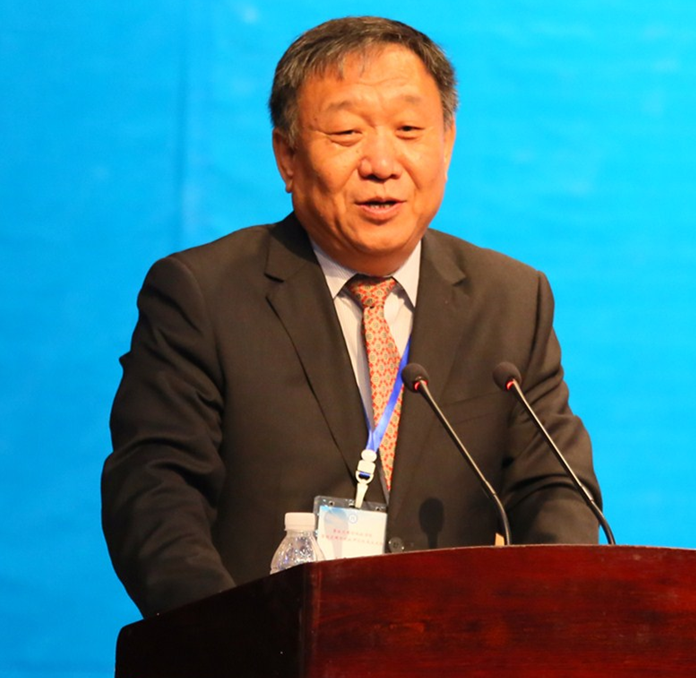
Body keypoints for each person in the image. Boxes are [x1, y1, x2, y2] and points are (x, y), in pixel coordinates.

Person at [102, 16, 602, 618]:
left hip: (455, 646)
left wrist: (542, 623)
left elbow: (555, 492)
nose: (382, 163)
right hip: (268, 648)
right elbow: (155, 499)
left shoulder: (511, 298)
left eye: (409, 129)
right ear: (288, 156)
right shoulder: (203, 295)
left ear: (447, 143)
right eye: (346, 133)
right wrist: (234, 642)